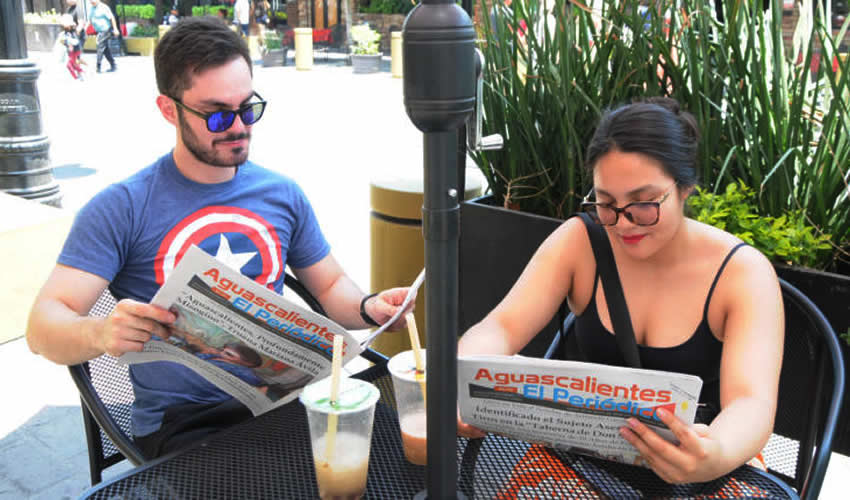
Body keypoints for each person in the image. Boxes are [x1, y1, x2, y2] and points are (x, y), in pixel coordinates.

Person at [26, 16, 413, 460]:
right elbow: (41, 328)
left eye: (248, 107)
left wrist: (370, 307)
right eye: (217, 114)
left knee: (396, 457)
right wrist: (100, 333)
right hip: (187, 426)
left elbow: (328, 288)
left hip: (284, 402)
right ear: (169, 110)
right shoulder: (123, 207)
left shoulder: (281, 193)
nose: (238, 126)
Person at [457, 98, 784, 484]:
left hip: (703, 459)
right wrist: (463, 379)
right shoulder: (581, 242)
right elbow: (502, 326)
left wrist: (715, 453)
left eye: (644, 204)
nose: (624, 223)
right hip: (580, 460)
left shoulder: (741, 273)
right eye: (606, 203)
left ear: (685, 188)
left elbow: (751, 401)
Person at [85, 0, 118, 73]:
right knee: (105, 49)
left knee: (100, 46)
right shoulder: (91, 8)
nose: (92, 2)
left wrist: (115, 29)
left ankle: (98, 67)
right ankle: (113, 65)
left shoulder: (103, 7)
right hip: (99, 31)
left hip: (105, 30)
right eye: (90, 1)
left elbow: (112, 18)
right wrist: (85, 28)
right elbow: (90, 20)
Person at [60, 14, 85, 81]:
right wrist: (66, 43)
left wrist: (70, 44)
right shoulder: (66, 31)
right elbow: (63, 41)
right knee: (74, 63)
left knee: (71, 64)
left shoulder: (73, 31)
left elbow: (76, 41)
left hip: (76, 50)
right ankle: (80, 75)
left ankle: (80, 75)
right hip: (71, 51)